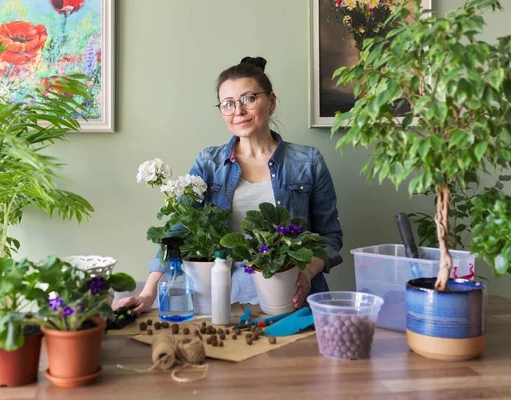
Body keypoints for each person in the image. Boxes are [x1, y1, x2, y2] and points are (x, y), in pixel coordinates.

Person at [112, 56, 343, 314]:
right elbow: (178, 230)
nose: (238, 112)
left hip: (295, 299)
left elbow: (330, 237)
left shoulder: (307, 161)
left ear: (272, 101)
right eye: (228, 104)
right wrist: (147, 293)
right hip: (225, 302)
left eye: (249, 99)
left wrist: (307, 271)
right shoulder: (209, 163)